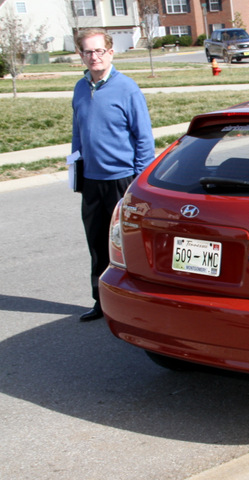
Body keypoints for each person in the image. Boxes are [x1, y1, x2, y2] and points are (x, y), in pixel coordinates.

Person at [72, 28, 155, 321]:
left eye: (99, 51)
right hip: (92, 181)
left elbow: (143, 138)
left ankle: (137, 305)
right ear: (81, 55)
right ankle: (101, 301)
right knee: (97, 244)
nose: (93, 57)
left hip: (123, 180)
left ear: (110, 52)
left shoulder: (127, 88)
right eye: (87, 51)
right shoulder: (80, 87)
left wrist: (140, 182)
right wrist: (77, 168)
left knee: (127, 245)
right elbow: (77, 132)